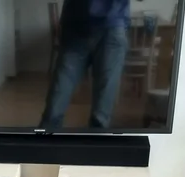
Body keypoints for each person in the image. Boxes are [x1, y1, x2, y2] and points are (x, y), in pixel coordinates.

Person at [40, 0, 130, 129]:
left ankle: (95, 146)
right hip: (75, 30)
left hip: (111, 29)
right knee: (53, 109)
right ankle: (45, 145)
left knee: (100, 118)